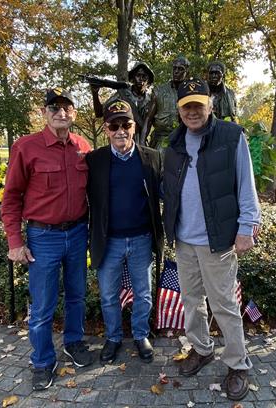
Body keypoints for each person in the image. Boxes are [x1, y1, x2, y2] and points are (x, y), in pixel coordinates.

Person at [162, 78, 261, 401]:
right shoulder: (175, 144)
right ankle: (202, 349)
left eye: (198, 104)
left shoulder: (231, 138)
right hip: (184, 239)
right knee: (191, 301)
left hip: (217, 240)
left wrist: (247, 226)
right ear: (179, 110)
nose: (192, 111)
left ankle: (237, 363)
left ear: (210, 105)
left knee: (224, 305)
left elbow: (246, 185)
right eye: (186, 106)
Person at [1, 88, 93, 391]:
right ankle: (42, 361)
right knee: (42, 305)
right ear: (44, 112)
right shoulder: (26, 148)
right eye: (54, 107)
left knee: (77, 294)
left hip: (78, 233)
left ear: (74, 114)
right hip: (43, 236)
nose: (60, 113)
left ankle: (73, 343)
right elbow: (12, 197)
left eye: (67, 108)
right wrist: (15, 241)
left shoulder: (83, 147)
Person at [86, 100, 164, 365]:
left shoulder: (152, 157)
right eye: (114, 125)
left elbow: (167, 194)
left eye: (126, 124)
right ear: (107, 129)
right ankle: (113, 337)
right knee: (108, 295)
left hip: (142, 238)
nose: (121, 130)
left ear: (135, 126)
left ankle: (141, 335)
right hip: (109, 240)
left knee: (143, 294)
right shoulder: (94, 160)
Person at [91, 62, 154, 146]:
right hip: (122, 142)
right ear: (132, 78)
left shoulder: (151, 100)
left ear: (148, 81)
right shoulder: (122, 95)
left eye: (144, 76)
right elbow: (99, 113)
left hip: (142, 144)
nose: (141, 79)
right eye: (138, 75)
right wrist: (95, 93)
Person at [143, 56, 190, 149]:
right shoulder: (159, 91)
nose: (176, 72)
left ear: (187, 72)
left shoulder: (191, 92)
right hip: (161, 139)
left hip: (184, 140)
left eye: (180, 69)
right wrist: (142, 142)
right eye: (174, 68)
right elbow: (148, 119)